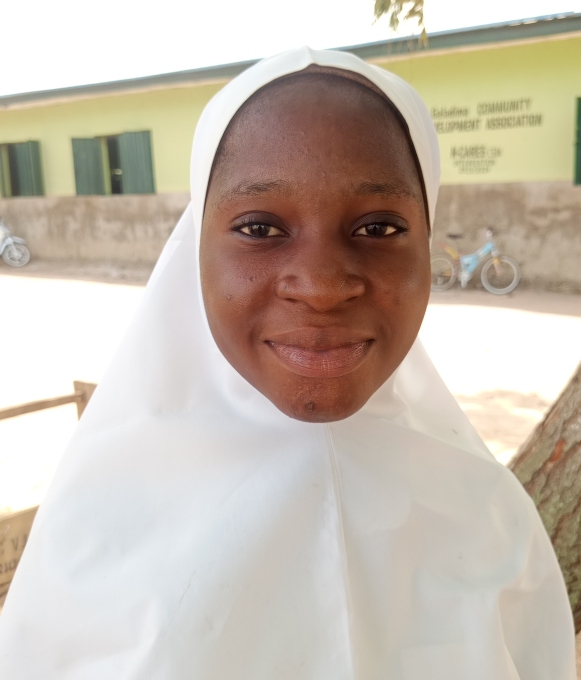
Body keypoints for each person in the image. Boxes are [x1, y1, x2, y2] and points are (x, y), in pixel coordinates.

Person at [0, 47, 576, 679]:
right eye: (259, 228)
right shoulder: (96, 520)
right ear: (196, 251)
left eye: (379, 228)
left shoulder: (489, 518)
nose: (322, 287)